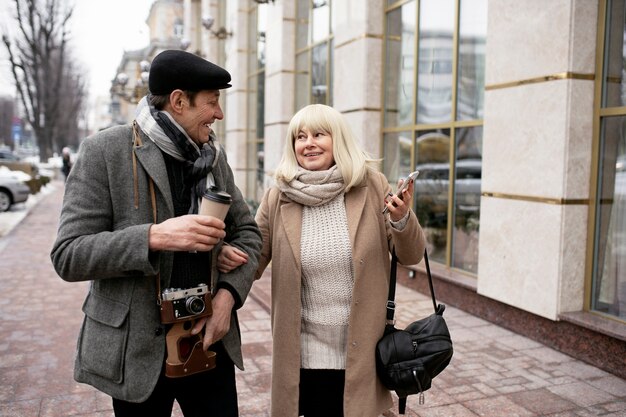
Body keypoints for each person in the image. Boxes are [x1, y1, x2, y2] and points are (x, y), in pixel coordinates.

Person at [51, 50, 262, 417]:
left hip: (209, 337)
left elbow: (247, 234)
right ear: (179, 101)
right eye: (212, 103)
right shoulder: (105, 151)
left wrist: (227, 298)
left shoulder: (213, 156)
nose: (220, 114)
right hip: (137, 351)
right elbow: (69, 255)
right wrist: (153, 237)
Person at [218, 104, 427, 417]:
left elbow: (411, 255)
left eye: (319, 134)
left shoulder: (371, 186)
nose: (308, 143)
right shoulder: (279, 196)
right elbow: (254, 256)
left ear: (338, 140)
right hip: (303, 352)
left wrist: (401, 219)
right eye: (300, 137)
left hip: (363, 349)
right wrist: (224, 253)